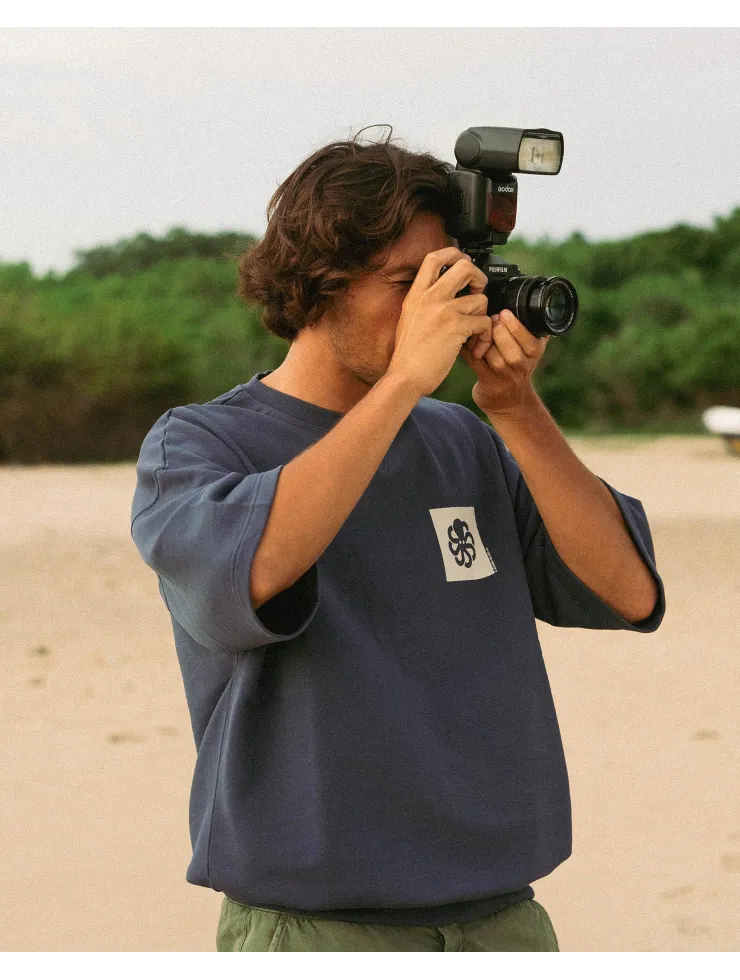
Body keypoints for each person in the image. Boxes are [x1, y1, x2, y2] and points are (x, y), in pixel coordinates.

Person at [130, 127, 666, 952]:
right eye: (407, 284)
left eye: (451, 282)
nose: (437, 309)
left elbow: (631, 592)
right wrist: (408, 380)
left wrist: (516, 409)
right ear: (319, 282)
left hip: (505, 918)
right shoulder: (198, 447)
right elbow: (259, 570)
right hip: (318, 930)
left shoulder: (467, 440)